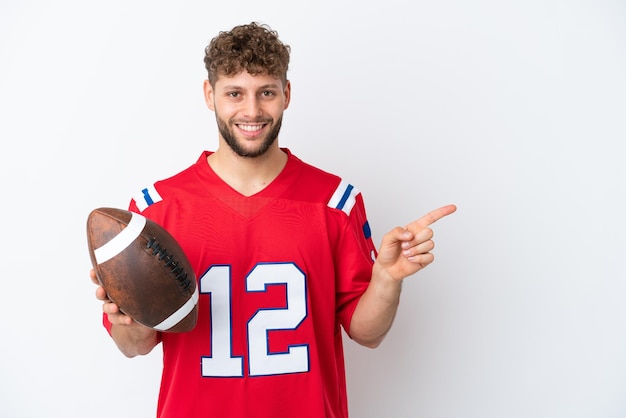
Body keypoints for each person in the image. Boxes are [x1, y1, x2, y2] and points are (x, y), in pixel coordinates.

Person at [91, 21, 456, 418]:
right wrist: (128, 317)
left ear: (286, 94)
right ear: (209, 95)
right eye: (235, 93)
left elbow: (367, 333)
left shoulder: (335, 202)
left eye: (266, 92)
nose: (252, 111)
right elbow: (135, 345)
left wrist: (387, 279)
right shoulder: (156, 208)